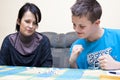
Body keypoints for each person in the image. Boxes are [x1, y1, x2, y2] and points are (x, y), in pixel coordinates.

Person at [69, 0, 120, 70]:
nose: (76, 29)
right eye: (74, 24)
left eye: (82, 26)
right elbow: (77, 75)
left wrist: (117, 65)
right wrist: (72, 62)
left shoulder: (117, 36)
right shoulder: (76, 46)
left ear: (97, 23)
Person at [0, 2, 53, 67]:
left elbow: (47, 68)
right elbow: (1, 68)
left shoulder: (43, 41)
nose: (31, 26)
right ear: (18, 21)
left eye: (34, 23)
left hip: (37, 77)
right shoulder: (8, 41)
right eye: (27, 21)